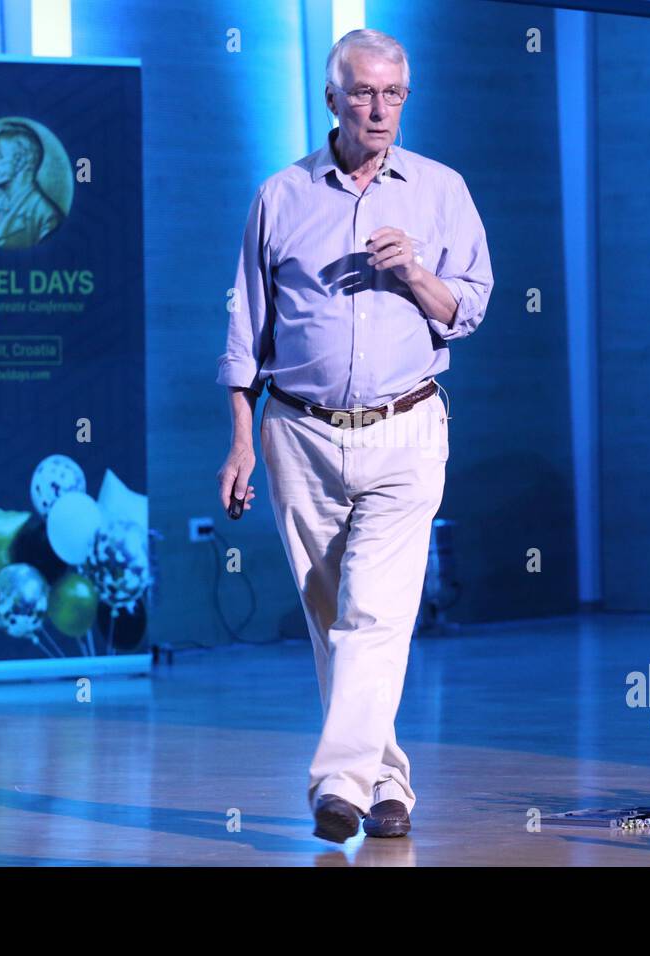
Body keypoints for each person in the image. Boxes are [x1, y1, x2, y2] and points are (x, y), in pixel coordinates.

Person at [214, 28, 493, 843]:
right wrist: (239, 442)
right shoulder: (280, 197)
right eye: (365, 93)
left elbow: (466, 311)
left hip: (407, 428)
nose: (381, 109)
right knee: (334, 618)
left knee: (376, 615)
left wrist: (412, 271)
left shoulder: (441, 191)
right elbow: (244, 335)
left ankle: (337, 784)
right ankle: (390, 787)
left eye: (395, 94)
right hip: (297, 435)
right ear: (332, 98)